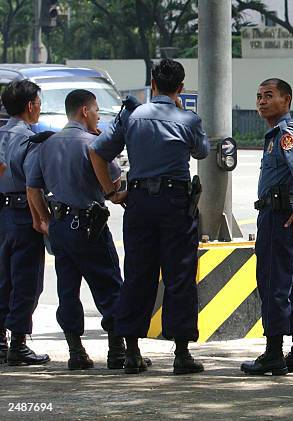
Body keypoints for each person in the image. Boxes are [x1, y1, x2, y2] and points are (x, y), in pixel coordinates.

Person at [89, 59, 209, 375]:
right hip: (175, 203)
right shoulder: (188, 120)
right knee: (179, 276)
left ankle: (131, 353)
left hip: (139, 201)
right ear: (180, 88)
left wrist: (112, 192)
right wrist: (180, 109)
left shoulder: (131, 116)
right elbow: (202, 152)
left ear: (151, 83)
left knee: (138, 274)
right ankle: (181, 355)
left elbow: (98, 152)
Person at [26, 89, 128, 370]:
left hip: (60, 225)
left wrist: (46, 220)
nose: (98, 117)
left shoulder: (46, 145)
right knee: (108, 286)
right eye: (96, 111)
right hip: (89, 227)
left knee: (67, 289)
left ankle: (75, 350)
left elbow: (33, 187)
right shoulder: (94, 144)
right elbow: (115, 181)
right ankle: (117, 351)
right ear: (85, 111)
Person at [240, 79, 293, 376]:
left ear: (287, 99)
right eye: (259, 96)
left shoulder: (285, 135)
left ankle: (274, 353)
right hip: (281, 214)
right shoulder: (275, 135)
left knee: (274, 284)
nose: (261, 101)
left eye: (269, 96)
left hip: (279, 216)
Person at [0, 80, 49, 366]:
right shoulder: (30, 139)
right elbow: (33, 186)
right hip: (22, 213)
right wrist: (40, 219)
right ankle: (18, 343)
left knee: (3, 278)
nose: (40, 110)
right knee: (26, 280)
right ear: (30, 106)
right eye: (40, 104)